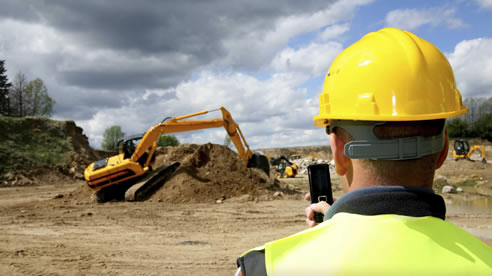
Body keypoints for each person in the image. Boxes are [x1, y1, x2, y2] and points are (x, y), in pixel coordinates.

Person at [234, 28, 492, 275]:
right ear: (444, 149)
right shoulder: (484, 262)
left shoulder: (266, 268)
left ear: (339, 152)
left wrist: (333, 230)